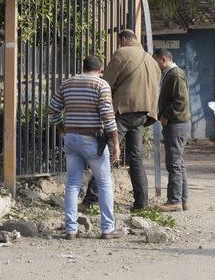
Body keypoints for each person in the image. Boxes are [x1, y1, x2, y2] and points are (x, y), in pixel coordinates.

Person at [81, 29, 161, 212]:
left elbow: (106, 82)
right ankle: (141, 203)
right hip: (143, 114)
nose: (119, 44)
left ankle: (90, 200)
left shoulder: (122, 53)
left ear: (123, 39)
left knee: (106, 155)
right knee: (136, 159)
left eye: (119, 41)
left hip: (123, 111)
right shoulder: (151, 60)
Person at [49, 55, 123, 240]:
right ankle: (107, 229)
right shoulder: (101, 85)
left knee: (73, 183)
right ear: (100, 70)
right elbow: (107, 115)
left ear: (83, 67)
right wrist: (115, 143)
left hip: (71, 139)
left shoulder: (67, 83)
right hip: (92, 139)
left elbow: (52, 108)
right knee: (104, 182)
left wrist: (62, 129)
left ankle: (71, 229)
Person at [152, 49, 191, 212]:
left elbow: (181, 100)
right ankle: (182, 200)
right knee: (178, 164)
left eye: (155, 61)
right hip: (176, 123)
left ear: (163, 59)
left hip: (176, 124)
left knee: (174, 163)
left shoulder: (175, 74)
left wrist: (166, 115)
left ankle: (174, 201)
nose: (154, 65)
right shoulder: (171, 73)